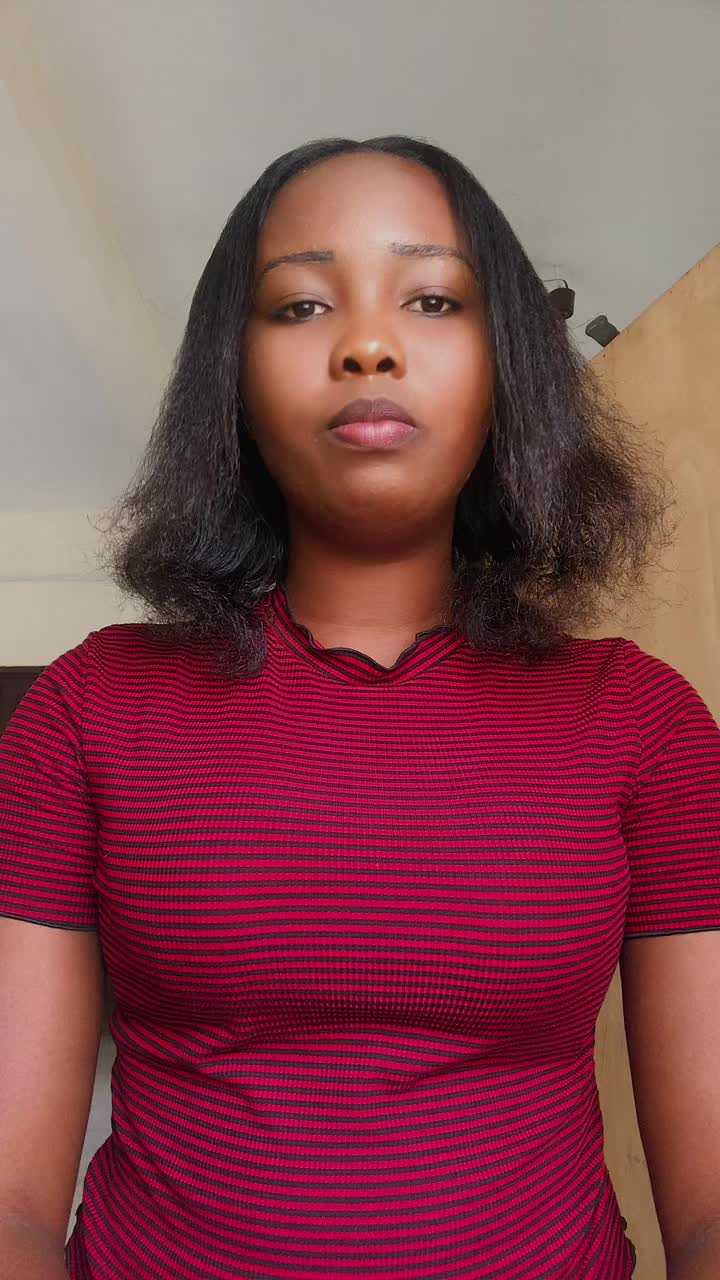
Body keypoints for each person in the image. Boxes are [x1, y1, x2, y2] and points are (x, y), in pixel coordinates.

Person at [1, 135, 719, 1280]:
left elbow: (711, 1211)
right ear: (231, 376)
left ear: (507, 365)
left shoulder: (644, 724)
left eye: (432, 299)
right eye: (300, 305)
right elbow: (13, 1204)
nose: (368, 345)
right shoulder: (87, 710)